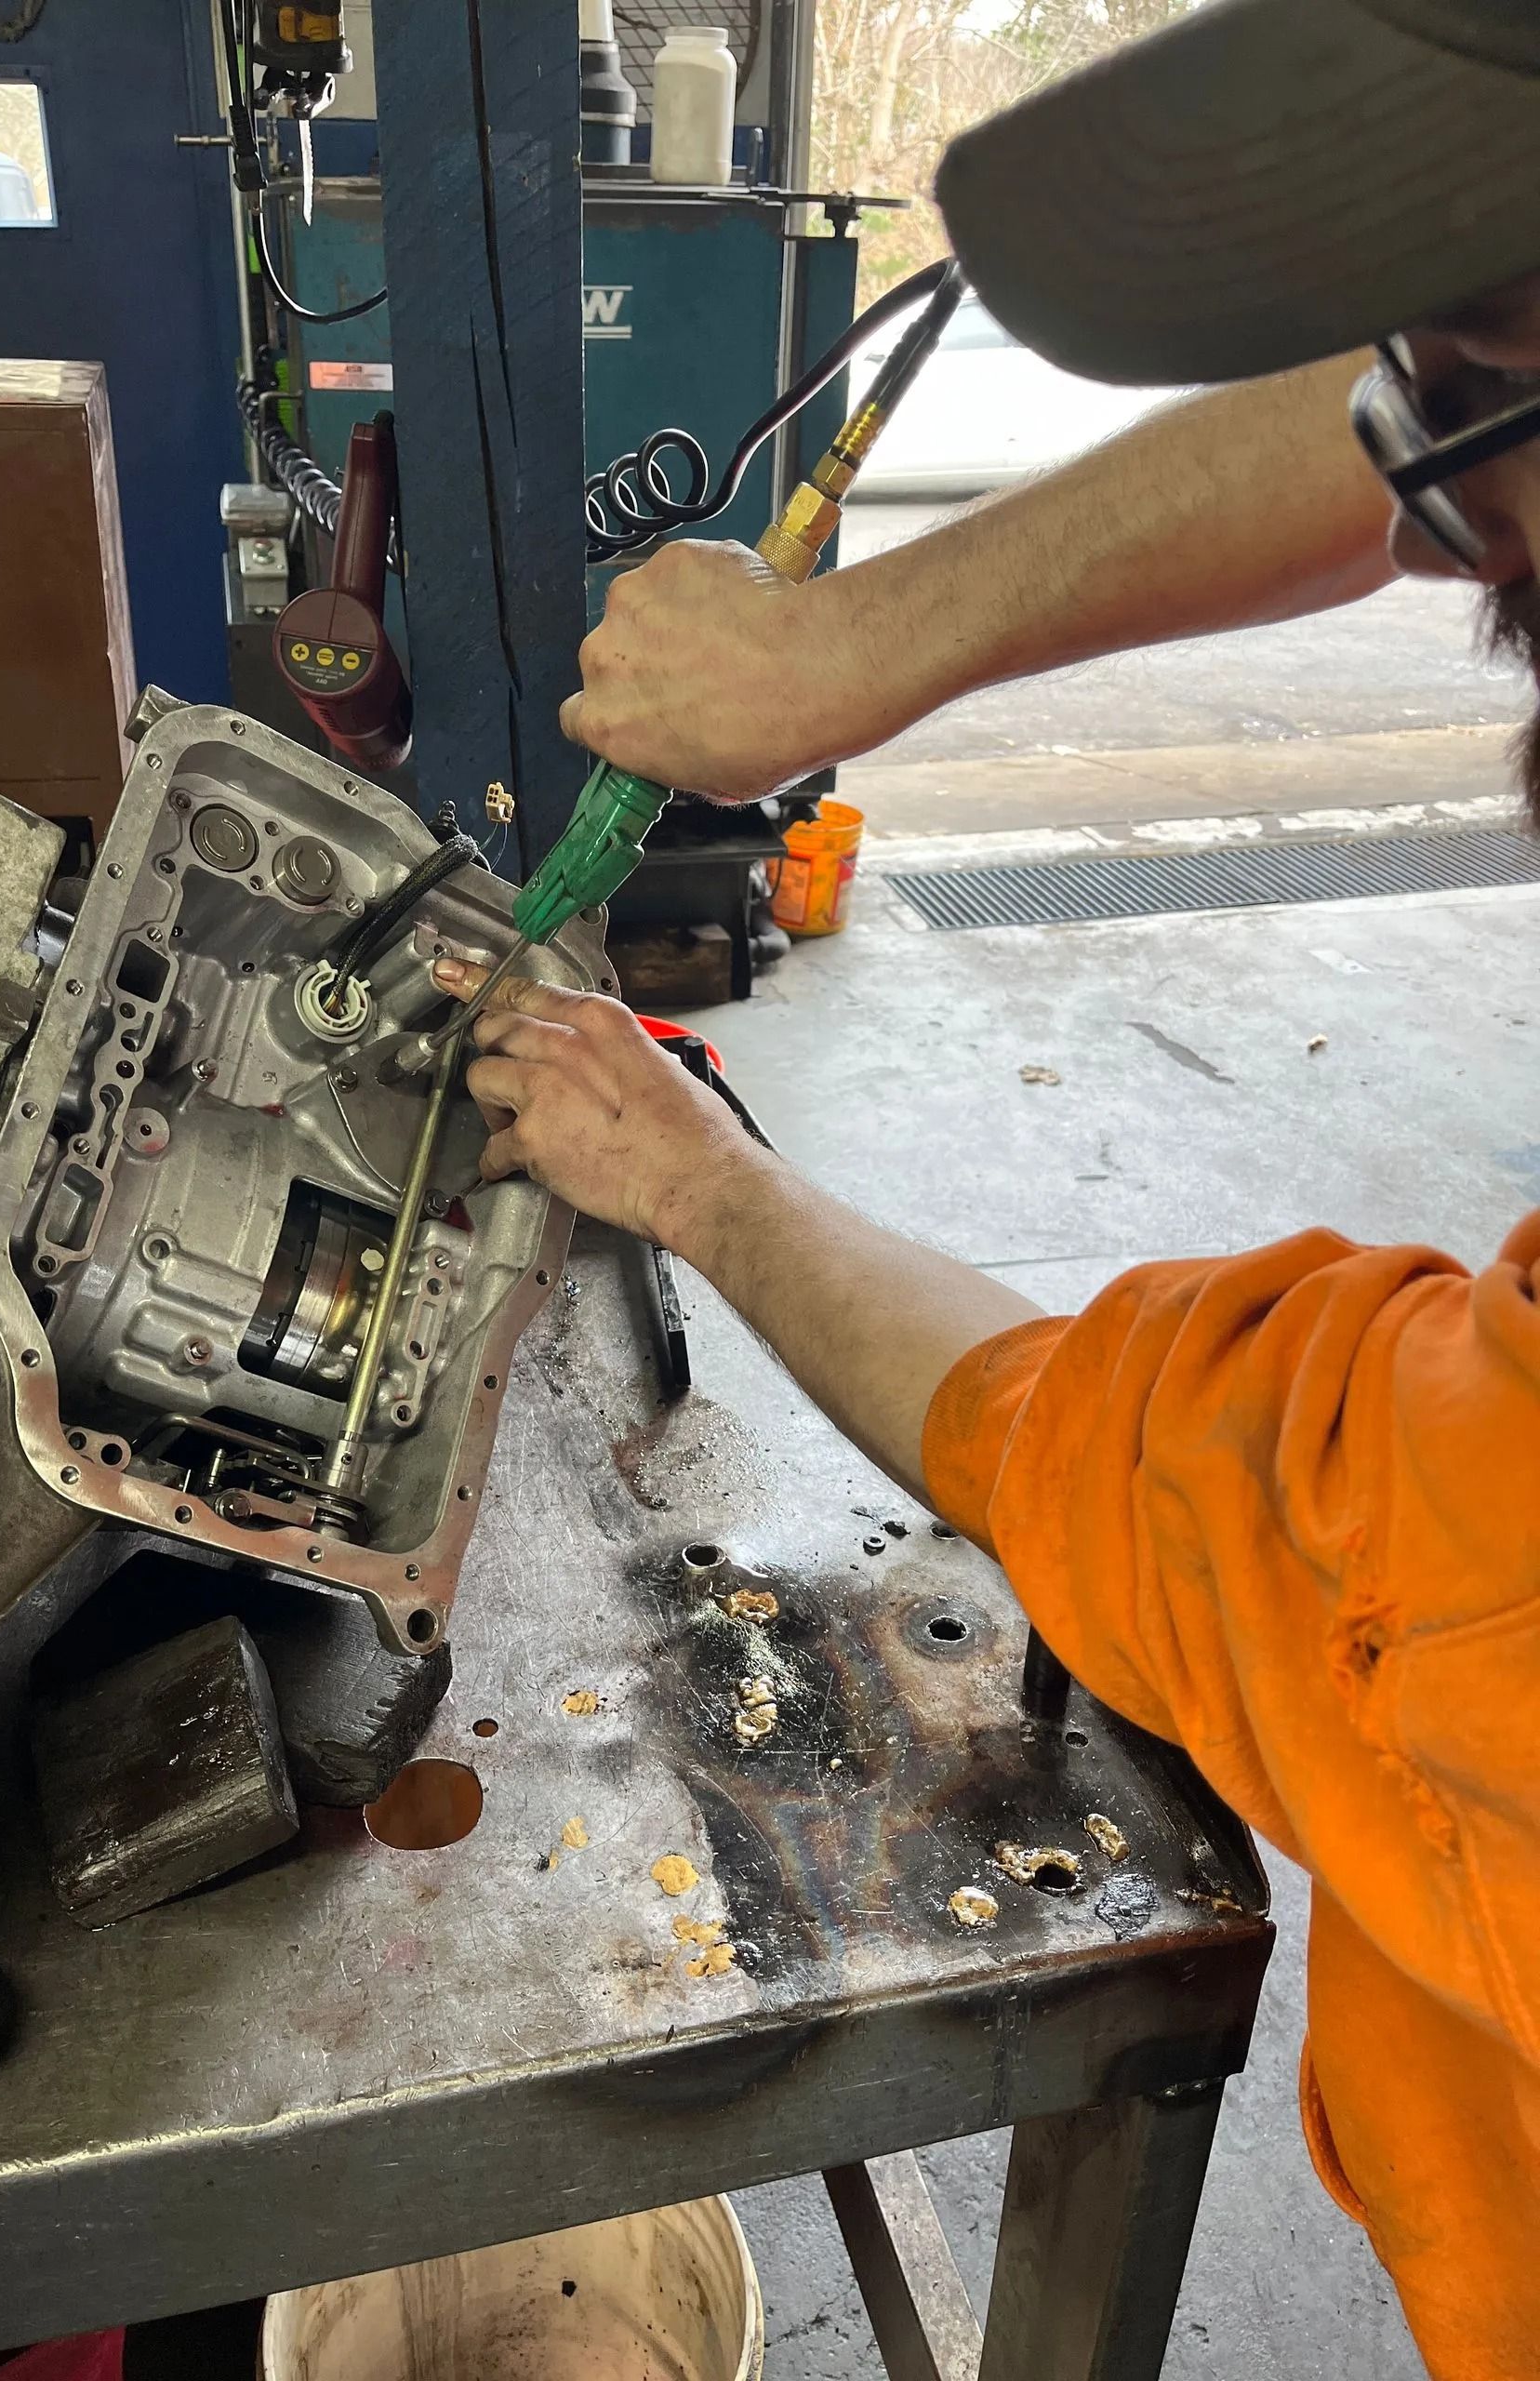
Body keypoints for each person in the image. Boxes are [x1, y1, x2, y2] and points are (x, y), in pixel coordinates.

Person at [437, 4, 1540, 2375]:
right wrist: (857, 642)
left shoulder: (1487, 1551)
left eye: (1471, 435)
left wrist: (701, 1183)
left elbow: (1149, 1469)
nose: (1441, 510)